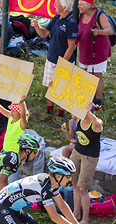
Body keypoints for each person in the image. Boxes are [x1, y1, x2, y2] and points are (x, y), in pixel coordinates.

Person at [31, 0, 77, 128]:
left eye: (56, 3)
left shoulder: (71, 22)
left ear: (63, 5)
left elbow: (71, 46)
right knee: (50, 87)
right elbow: (44, 34)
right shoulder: (56, 18)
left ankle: (60, 116)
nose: (54, 5)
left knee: (62, 89)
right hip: (51, 59)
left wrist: (62, 63)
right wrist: (36, 26)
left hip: (65, 63)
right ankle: (49, 112)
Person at [71, 103, 103, 224]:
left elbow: (98, 123)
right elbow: (67, 102)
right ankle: (76, 214)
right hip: (77, 152)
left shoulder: (96, 123)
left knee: (83, 188)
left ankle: (85, 219)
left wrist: (88, 111)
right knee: (74, 183)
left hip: (90, 157)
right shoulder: (78, 119)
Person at [77, 0, 112, 106]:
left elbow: (109, 31)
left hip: (98, 50)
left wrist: (98, 32)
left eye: (81, 4)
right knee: (88, 75)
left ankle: (98, 102)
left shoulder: (99, 15)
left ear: (89, 5)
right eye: (78, 4)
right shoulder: (80, 15)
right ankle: (89, 99)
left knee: (97, 75)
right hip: (85, 49)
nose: (78, 6)